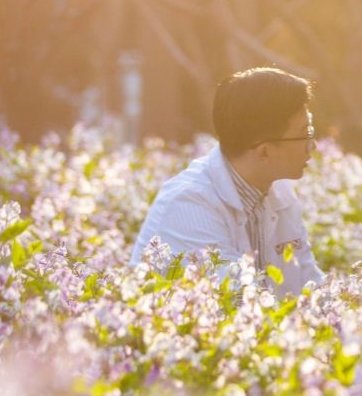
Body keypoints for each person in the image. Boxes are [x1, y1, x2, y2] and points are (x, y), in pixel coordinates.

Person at [130, 67, 325, 294]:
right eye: (305, 132)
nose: (313, 145)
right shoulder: (189, 205)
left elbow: (309, 282)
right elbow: (238, 302)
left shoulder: (279, 192)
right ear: (264, 152)